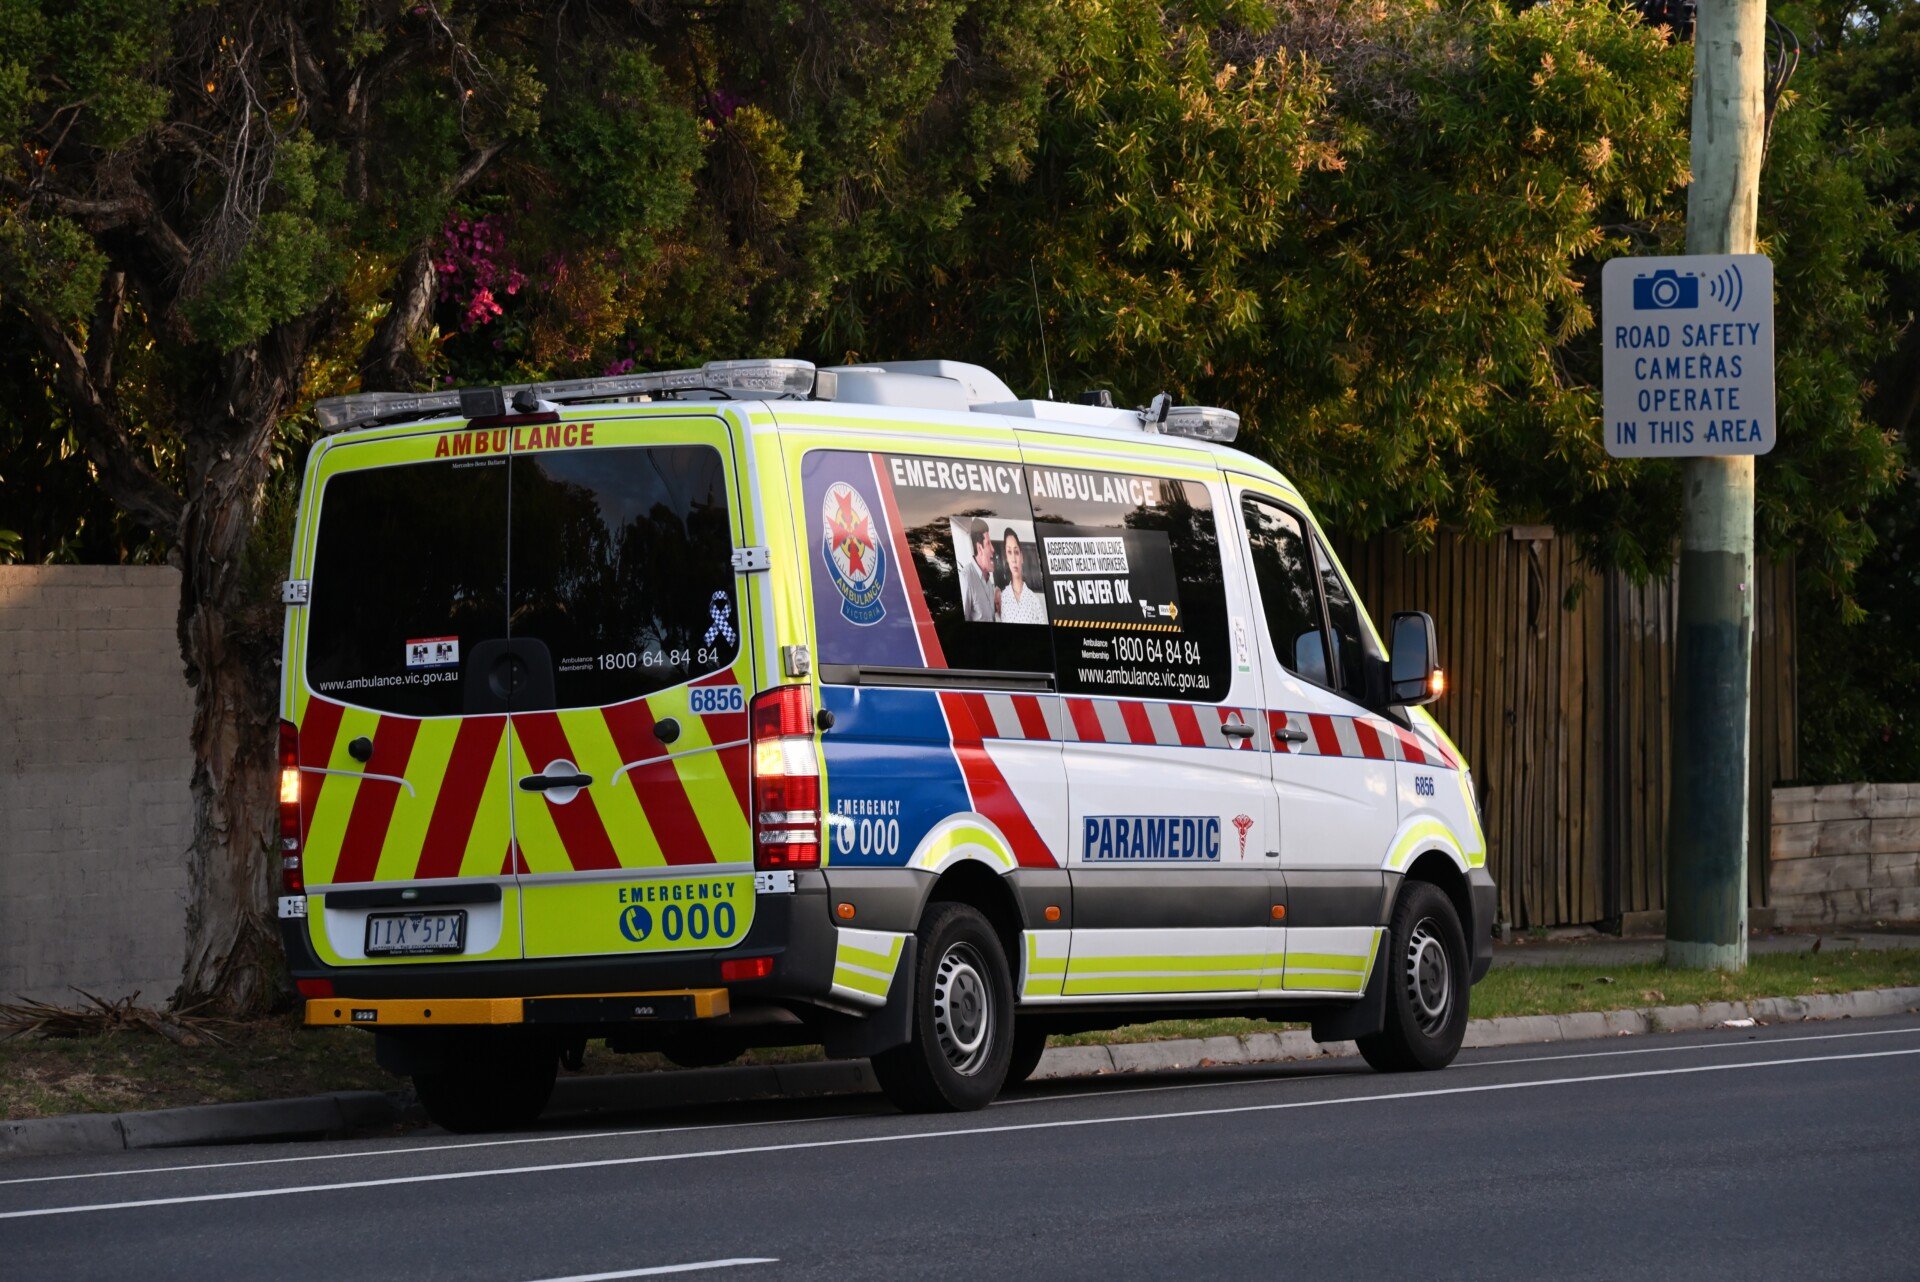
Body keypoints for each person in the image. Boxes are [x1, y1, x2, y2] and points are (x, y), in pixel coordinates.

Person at [998, 527, 1047, 625]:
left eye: (1016, 552)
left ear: (1022, 557)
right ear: (1006, 558)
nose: (1014, 559)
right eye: (1009, 552)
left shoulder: (1034, 600)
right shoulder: (1002, 598)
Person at [959, 518, 998, 622]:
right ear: (980, 548)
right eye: (989, 543)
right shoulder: (965, 579)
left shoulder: (989, 583)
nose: (993, 549)